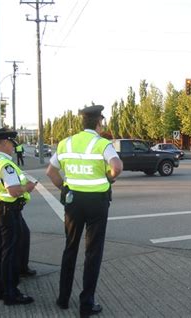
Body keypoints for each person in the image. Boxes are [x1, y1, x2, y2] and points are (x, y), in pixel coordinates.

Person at [46, 105, 123, 316]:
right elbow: (117, 167)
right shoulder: (102, 144)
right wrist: (108, 178)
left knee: (70, 247)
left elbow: (50, 172)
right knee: (93, 252)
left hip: (73, 202)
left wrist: (65, 188)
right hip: (97, 203)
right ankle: (86, 304)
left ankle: (63, 298)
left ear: (82, 123)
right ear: (99, 123)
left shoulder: (66, 143)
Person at [0, 128, 37, 305]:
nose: (13, 148)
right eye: (12, 144)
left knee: (1, 250)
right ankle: (11, 293)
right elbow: (13, 190)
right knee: (10, 252)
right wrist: (27, 188)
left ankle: (1, 289)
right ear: (5, 143)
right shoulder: (5, 165)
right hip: (8, 210)